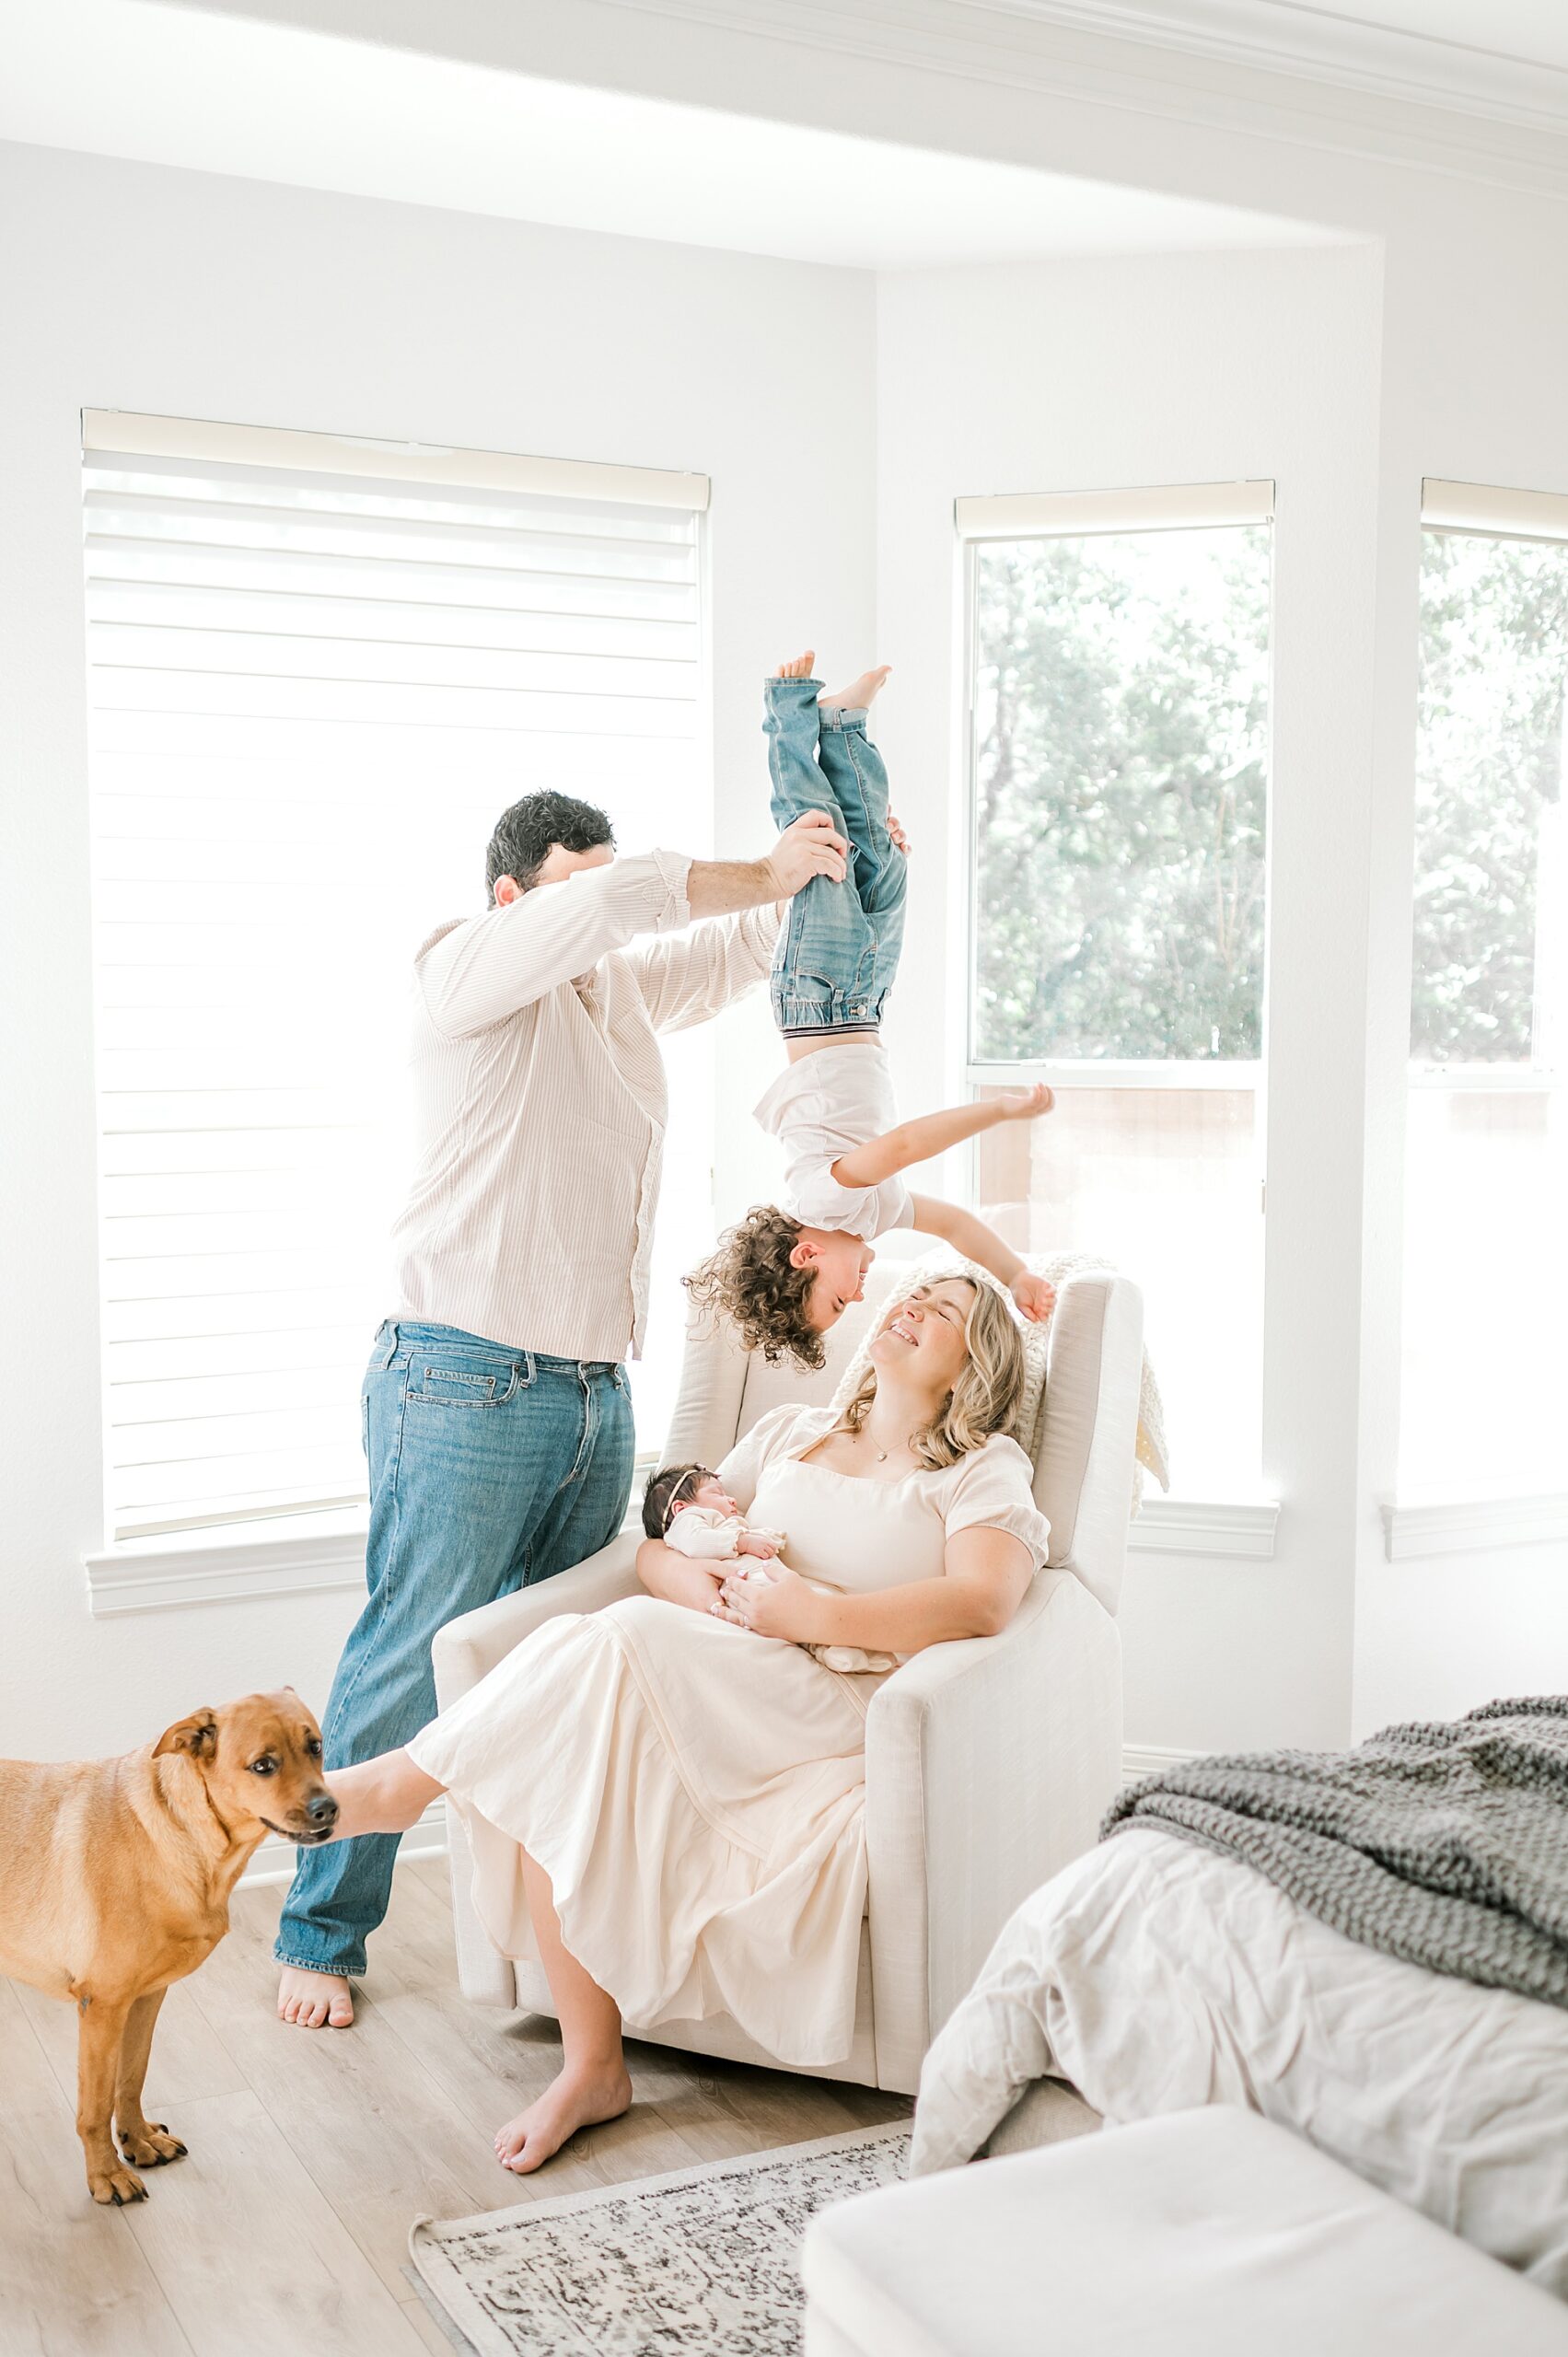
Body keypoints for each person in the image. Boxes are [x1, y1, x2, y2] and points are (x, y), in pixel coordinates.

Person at [273, 785, 850, 2029]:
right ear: (509, 899)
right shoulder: (460, 973)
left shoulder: (617, 995)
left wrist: (829, 852)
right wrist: (743, 870)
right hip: (459, 1377)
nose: (595, 914)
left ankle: (551, 1959)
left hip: (590, 1392)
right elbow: (633, 895)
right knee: (408, 1658)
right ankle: (319, 1935)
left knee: (549, 1676)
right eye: (568, 889)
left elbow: (737, 945)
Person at [313, 1271, 1049, 2173]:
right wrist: (697, 1583)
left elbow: (982, 1600)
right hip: (723, 1670)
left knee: (609, 1641)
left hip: (838, 1705)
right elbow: (656, 1548)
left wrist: (807, 1615)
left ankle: (400, 1784)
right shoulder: (794, 1432)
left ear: (974, 1364)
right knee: (567, 1736)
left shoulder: (980, 1468)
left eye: (943, 1312)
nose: (909, 1306)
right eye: (912, 1292)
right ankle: (592, 2066)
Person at [685, 656, 1057, 1370]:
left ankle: (789, 707)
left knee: (817, 839)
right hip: (863, 1001)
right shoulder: (874, 1218)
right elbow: (953, 1224)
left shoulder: (821, 1199)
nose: (856, 1301)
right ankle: (844, 727)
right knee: (879, 857)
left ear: (805, 1254)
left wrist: (1000, 1113)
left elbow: (905, 1145)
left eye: (831, 1302)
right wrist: (1015, 1275)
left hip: (817, 997)